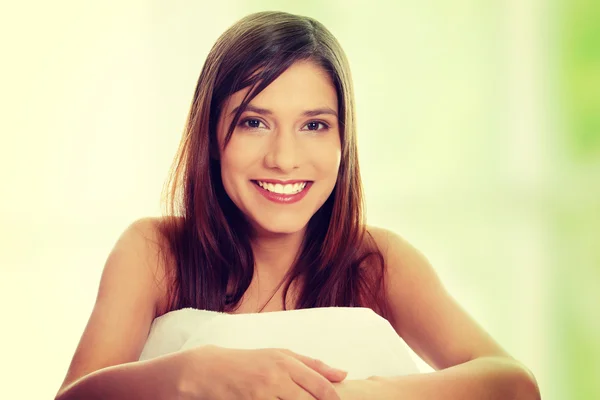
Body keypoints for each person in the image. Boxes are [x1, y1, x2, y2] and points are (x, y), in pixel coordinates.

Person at [55, 10, 540, 400]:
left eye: (314, 126)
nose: (284, 159)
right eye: (254, 123)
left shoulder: (376, 261)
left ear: (342, 143)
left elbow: (514, 385)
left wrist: (355, 394)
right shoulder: (154, 252)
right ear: (212, 137)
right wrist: (189, 374)